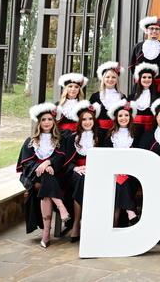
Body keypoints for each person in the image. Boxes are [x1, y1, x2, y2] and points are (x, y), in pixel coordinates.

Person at [17, 103, 70, 248]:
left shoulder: (59, 140)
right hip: (33, 177)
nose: (47, 122)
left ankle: (46, 233)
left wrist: (48, 163)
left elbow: (61, 158)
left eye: (50, 119)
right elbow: (26, 164)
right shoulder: (30, 142)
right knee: (46, 178)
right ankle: (61, 206)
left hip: (54, 175)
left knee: (45, 187)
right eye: (43, 120)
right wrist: (40, 167)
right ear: (39, 122)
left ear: (54, 122)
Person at [62, 101, 102, 242]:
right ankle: (77, 222)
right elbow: (67, 161)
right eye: (84, 119)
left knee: (86, 180)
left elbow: (105, 158)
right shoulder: (72, 138)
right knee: (81, 180)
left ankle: (85, 222)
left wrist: (91, 168)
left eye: (90, 118)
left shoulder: (101, 136)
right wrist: (76, 168)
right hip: (76, 172)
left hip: (97, 171)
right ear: (79, 121)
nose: (87, 122)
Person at [103, 100, 139, 226]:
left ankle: (115, 223)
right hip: (113, 171)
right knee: (119, 181)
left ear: (130, 117)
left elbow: (139, 155)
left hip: (132, 172)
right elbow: (106, 157)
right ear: (116, 118)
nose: (123, 118)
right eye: (120, 116)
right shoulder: (109, 135)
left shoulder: (137, 133)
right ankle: (130, 211)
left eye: (126, 115)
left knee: (122, 182)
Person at [129, 16, 160, 94]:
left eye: (157, 29)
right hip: (141, 88)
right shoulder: (138, 47)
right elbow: (132, 66)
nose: (154, 31)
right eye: (151, 28)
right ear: (146, 30)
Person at [89, 62, 126, 132]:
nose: (110, 79)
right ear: (103, 79)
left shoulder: (122, 97)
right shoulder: (95, 96)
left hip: (117, 131)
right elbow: (90, 116)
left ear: (117, 80)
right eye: (107, 77)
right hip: (99, 132)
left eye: (113, 77)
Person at [130, 62, 160, 132]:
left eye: (149, 77)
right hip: (134, 129)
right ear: (140, 79)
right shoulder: (131, 97)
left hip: (151, 129)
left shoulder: (158, 97)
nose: (147, 79)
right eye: (144, 77)